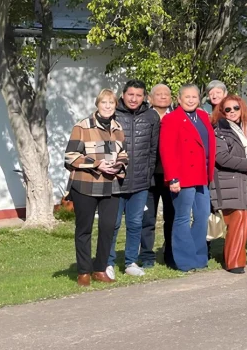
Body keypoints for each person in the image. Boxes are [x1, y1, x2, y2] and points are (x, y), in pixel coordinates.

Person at [64, 89, 129, 286]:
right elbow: (70, 156)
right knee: (84, 229)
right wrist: (96, 164)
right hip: (85, 184)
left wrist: (118, 166)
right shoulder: (82, 126)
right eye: (104, 102)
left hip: (111, 185)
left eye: (111, 103)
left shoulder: (118, 128)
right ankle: (84, 271)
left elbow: (124, 155)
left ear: (115, 105)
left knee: (108, 227)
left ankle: (100, 269)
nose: (108, 106)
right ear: (97, 104)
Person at [159, 84, 216, 272]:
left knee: (202, 216)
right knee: (182, 218)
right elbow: (166, 150)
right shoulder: (171, 119)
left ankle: (199, 257)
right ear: (179, 98)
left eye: (194, 97)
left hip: (202, 174)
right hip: (182, 176)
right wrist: (172, 178)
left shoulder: (202, 117)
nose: (191, 100)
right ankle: (184, 260)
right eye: (187, 97)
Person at [109, 80, 160, 279]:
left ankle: (130, 261)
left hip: (140, 182)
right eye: (130, 94)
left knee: (135, 223)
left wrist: (147, 175)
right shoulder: (113, 113)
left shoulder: (151, 116)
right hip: (116, 181)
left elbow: (152, 150)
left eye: (138, 95)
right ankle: (107, 262)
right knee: (112, 225)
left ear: (144, 97)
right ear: (123, 95)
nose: (134, 99)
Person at [210, 95, 247, 274]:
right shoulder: (220, 129)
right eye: (228, 109)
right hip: (228, 180)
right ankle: (233, 262)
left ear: (242, 109)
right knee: (237, 218)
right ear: (222, 112)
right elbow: (221, 157)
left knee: (245, 219)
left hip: (244, 180)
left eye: (236, 108)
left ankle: (238, 259)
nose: (232, 112)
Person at [140, 84, 175, 268]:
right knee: (147, 219)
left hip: (171, 178)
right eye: (158, 94)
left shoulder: (177, 117)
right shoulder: (144, 117)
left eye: (166, 94)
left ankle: (171, 254)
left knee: (172, 218)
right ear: (150, 98)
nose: (162, 97)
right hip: (149, 177)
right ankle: (146, 256)